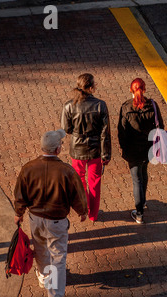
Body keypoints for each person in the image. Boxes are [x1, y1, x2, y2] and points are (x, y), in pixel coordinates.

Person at [13, 129, 88, 297]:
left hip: (35, 219)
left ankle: (44, 277)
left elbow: (20, 194)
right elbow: (78, 194)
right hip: (57, 221)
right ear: (57, 150)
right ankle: (54, 295)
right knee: (58, 258)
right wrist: (82, 211)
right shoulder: (66, 171)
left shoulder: (28, 168)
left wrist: (19, 212)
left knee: (40, 250)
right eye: (61, 144)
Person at [61, 73, 112, 221]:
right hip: (95, 149)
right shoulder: (100, 105)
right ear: (91, 87)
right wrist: (106, 154)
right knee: (95, 182)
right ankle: (93, 214)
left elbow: (66, 128)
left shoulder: (69, 105)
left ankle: (82, 209)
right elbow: (105, 133)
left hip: (77, 149)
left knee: (79, 181)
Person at [118, 78, 164, 224]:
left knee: (136, 179)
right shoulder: (153, 105)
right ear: (144, 90)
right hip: (149, 148)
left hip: (132, 150)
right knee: (144, 173)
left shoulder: (126, 107)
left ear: (130, 90)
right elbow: (160, 126)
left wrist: (124, 148)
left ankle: (139, 213)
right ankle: (142, 201)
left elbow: (122, 131)